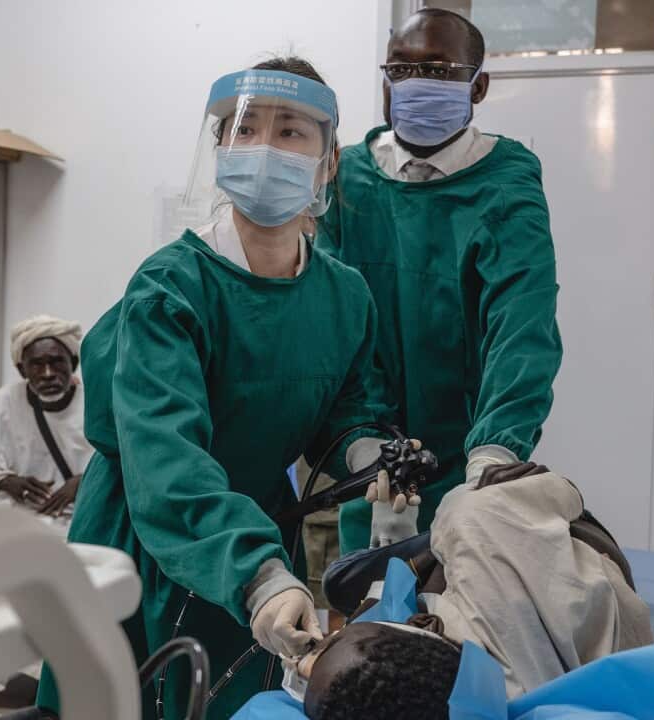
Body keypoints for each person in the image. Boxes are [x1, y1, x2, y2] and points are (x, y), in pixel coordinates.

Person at [36, 57, 416, 720]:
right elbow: (167, 459)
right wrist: (258, 576)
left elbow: (348, 411)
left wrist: (368, 456)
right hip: (145, 535)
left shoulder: (345, 298)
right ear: (220, 150)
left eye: (291, 132)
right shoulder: (170, 290)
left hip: (257, 534)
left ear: (328, 164)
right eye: (245, 131)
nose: (264, 149)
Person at [318, 7, 564, 553]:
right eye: (402, 69)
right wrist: (366, 446)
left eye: (440, 70)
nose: (417, 83)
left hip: (468, 449)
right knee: (369, 614)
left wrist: (495, 451)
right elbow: (337, 328)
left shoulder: (506, 182)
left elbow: (521, 324)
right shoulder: (348, 179)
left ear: (478, 87)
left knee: (466, 602)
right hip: (374, 457)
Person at [288, 464, 653, 720]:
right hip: (580, 542)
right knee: (343, 580)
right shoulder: (474, 521)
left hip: (578, 618)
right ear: (422, 625)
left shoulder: (442, 698)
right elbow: (566, 497)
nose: (326, 637)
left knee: (347, 585)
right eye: (330, 641)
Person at [0, 315, 89, 525]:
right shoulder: (2, 405)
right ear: (22, 370)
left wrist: (84, 482)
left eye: (56, 362)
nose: (48, 373)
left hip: (84, 520)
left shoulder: (95, 404)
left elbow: (127, 463)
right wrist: (4, 480)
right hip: (21, 520)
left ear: (73, 363)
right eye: (37, 364)